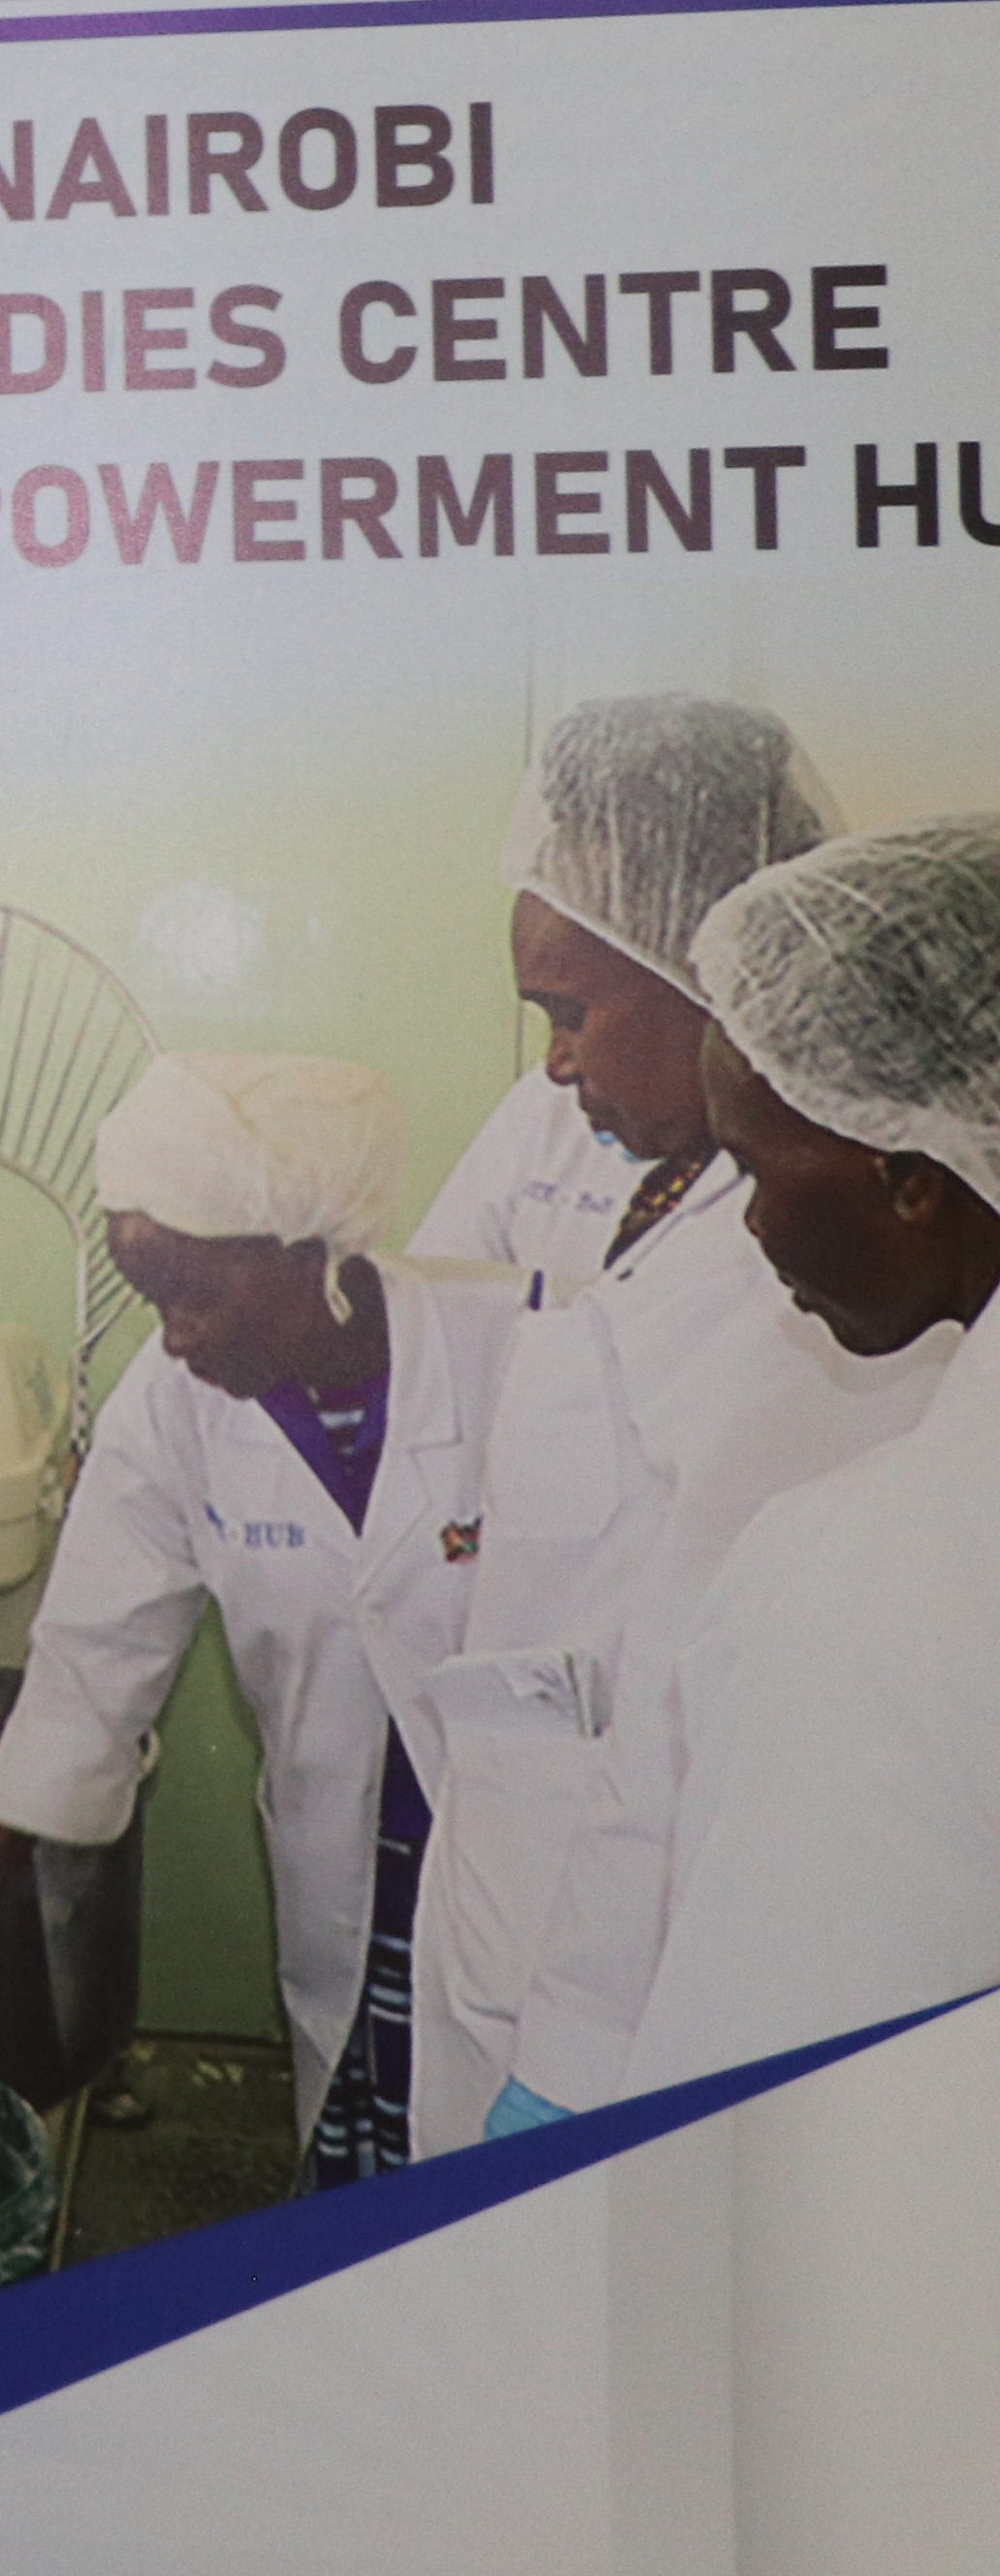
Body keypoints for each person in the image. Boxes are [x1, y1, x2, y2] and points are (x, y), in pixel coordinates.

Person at [0, 1054, 516, 2185]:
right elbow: (90, 1666)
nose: (173, 1336)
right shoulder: (172, 1408)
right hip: (349, 1869)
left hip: (527, 1861)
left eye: (195, 1293)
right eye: (151, 1298)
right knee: (375, 2156)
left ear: (306, 1248)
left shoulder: (521, 1343)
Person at [407, 697, 942, 2141]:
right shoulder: (567, 1125)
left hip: (641, 1952)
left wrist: (575, 2052)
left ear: (698, 970)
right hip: (511, 1838)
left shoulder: (838, 1264)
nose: (552, 1062)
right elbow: (446, 1325)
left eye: (572, 1012)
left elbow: (698, 1699)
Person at [617, 819, 1000, 2100]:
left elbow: (772, 2097)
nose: (751, 1225)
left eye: (752, 1169)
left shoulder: (879, 1579)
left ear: (911, 1178)